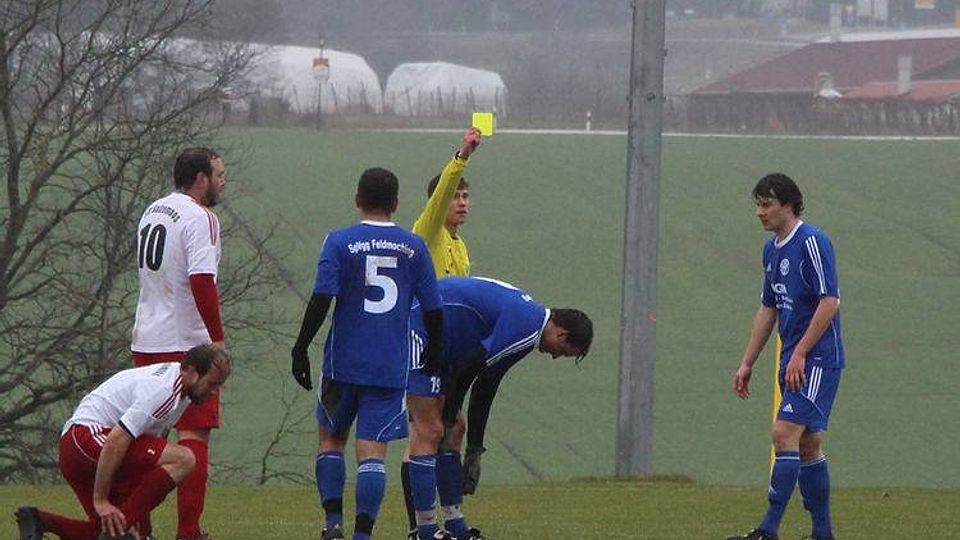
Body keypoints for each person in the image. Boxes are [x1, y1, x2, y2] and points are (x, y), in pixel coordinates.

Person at [290, 167, 445, 540]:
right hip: (389, 365)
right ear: (395, 204)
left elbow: (322, 298)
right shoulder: (414, 247)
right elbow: (434, 309)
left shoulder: (339, 242)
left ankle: (332, 524)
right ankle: (363, 534)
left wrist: (299, 348)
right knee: (372, 452)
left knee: (331, 439)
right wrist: (435, 351)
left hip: (343, 362)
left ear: (357, 198)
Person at [405, 276, 593, 540]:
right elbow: (469, 370)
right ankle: (424, 530)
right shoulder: (527, 328)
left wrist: (474, 448)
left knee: (455, 428)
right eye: (562, 351)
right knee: (433, 429)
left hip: (442, 343)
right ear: (561, 334)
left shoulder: (529, 323)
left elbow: (486, 383)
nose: (554, 356)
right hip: (418, 324)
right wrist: (449, 418)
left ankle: (455, 525)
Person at [727, 173, 845, 540]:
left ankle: (768, 530)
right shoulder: (772, 249)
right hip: (794, 360)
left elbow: (830, 302)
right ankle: (822, 533)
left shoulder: (813, 242)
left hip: (818, 360)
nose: (760, 213)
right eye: (758, 206)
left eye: (766, 205)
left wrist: (802, 353)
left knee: (783, 432)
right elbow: (768, 308)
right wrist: (748, 362)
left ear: (788, 205)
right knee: (808, 443)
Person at [15, 345, 231, 540]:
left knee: (119, 529)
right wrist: (101, 500)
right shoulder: (164, 390)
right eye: (212, 383)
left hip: (75, 450)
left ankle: (40, 520)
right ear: (191, 371)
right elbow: (116, 441)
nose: (214, 392)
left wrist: (154, 488)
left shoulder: (182, 390)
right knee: (185, 459)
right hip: (86, 439)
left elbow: (147, 449)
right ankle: (117, 533)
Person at [130, 147, 227, 540]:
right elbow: (202, 279)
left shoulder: (152, 211)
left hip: (146, 338)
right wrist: (216, 339)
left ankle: (139, 529)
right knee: (194, 436)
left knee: (147, 440)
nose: (223, 181)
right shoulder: (201, 217)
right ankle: (188, 532)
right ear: (201, 178)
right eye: (219, 174)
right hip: (186, 343)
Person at [401, 127, 481, 540]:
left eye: (466, 196)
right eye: (456, 196)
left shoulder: (458, 245)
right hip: (422, 343)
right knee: (429, 431)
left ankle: (447, 519)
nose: (462, 202)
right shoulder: (427, 232)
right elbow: (440, 193)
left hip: (449, 348)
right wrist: (462, 155)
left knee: (448, 428)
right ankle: (425, 525)